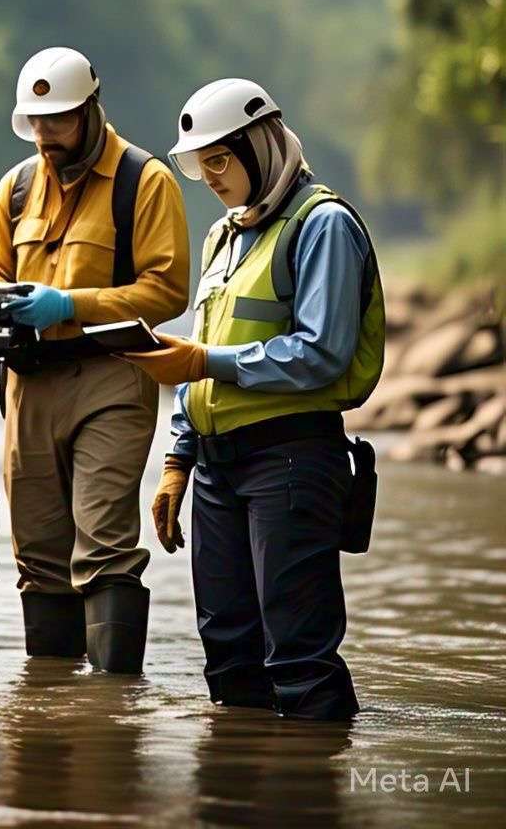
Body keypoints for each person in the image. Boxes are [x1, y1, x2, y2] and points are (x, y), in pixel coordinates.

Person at [127, 77, 384, 721]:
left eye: (221, 159)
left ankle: (314, 787)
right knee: (229, 654)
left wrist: (202, 361)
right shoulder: (223, 236)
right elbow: (201, 351)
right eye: (198, 164)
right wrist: (176, 464)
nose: (210, 177)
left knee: (297, 653)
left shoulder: (322, 225)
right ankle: (237, 791)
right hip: (217, 468)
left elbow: (322, 352)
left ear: (262, 146)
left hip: (292, 461)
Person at [0, 47, 189, 672]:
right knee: (37, 553)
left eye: (58, 120)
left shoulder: (145, 182)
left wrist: (70, 304)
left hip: (112, 377)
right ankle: (53, 707)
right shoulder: (13, 188)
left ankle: (113, 710)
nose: (45, 135)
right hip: (28, 386)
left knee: (103, 546)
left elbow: (167, 289)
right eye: (35, 122)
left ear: (92, 109)